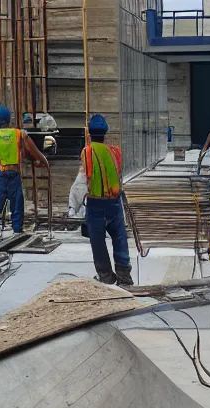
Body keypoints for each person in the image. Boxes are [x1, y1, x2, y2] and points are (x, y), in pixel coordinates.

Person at [0, 105, 50, 247]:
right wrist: (42, 162)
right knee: (17, 206)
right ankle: (17, 234)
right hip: (14, 175)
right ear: (9, 120)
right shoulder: (20, 135)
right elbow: (36, 153)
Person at [80, 114, 133, 286]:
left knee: (98, 241)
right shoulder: (115, 152)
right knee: (119, 237)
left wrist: (75, 203)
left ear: (89, 134)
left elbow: (84, 178)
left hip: (96, 203)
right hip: (114, 202)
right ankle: (124, 276)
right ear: (105, 134)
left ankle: (106, 276)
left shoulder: (87, 151)